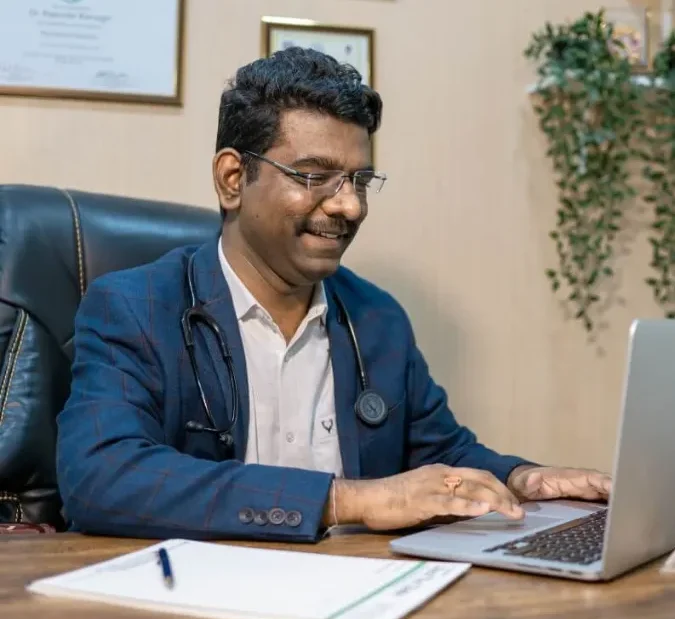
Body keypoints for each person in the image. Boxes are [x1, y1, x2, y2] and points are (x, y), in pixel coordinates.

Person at [56, 48, 610, 542]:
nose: (350, 206)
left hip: (359, 599)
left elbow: (441, 454)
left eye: (360, 181)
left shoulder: (377, 319)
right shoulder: (134, 307)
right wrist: (347, 501)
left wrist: (522, 478)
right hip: (192, 605)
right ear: (232, 179)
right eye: (313, 176)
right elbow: (101, 476)